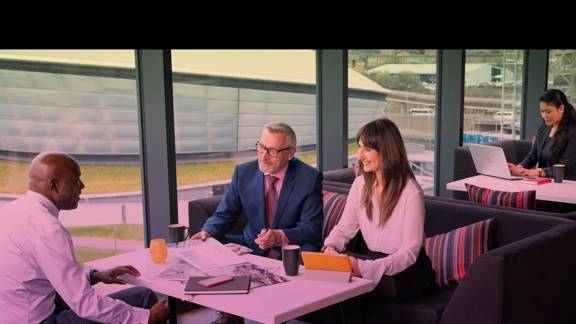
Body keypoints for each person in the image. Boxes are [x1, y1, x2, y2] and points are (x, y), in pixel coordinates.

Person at [0, 152, 169, 324]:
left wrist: (95, 276)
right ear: (55, 185)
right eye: (75, 180)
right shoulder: (49, 230)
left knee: (140, 297)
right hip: (41, 319)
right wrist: (146, 318)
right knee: (144, 301)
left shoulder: (10, 210)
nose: (82, 185)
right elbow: (85, 304)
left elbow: (46, 273)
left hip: (16, 314)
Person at [323, 118, 435, 299]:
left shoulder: (411, 192)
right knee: (329, 281)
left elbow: (409, 253)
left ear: (387, 151)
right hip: (372, 260)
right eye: (359, 147)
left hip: (409, 272)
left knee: (353, 289)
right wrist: (330, 247)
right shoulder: (360, 185)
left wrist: (363, 268)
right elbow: (345, 227)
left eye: (367, 149)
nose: (360, 156)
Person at [191, 122, 324, 257]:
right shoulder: (243, 173)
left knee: (309, 252)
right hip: (251, 244)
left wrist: (278, 236)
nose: (263, 157)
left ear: (290, 154)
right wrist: (208, 232)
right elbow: (225, 214)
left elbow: (311, 228)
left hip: (290, 247)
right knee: (207, 244)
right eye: (261, 147)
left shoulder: (309, 178)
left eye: (273, 151)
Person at [509, 89, 576, 180]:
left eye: (548, 112)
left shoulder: (573, 132)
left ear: (561, 108)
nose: (544, 116)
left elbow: (565, 168)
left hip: (564, 183)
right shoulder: (544, 127)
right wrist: (519, 168)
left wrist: (536, 172)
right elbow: (533, 156)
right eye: (542, 111)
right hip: (543, 182)